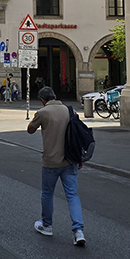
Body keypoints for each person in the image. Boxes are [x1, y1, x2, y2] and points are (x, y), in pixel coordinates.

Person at [27, 87, 86, 247]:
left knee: (47, 193)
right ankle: (78, 231)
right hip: (70, 160)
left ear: (42, 100)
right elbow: (77, 134)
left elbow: (30, 130)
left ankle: (47, 225)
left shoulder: (43, 113)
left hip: (50, 161)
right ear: (55, 96)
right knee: (72, 195)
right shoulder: (70, 110)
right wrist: (80, 157)